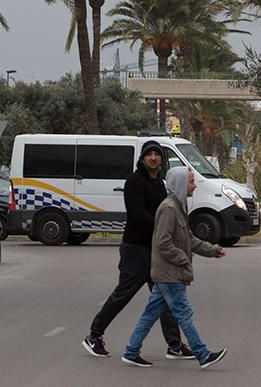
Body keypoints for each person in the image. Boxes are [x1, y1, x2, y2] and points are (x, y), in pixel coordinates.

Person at [83, 141, 193, 360]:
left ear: (162, 159)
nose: (153, 158)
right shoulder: (134, 182)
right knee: (123, 294)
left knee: (166, 297)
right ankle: (94, 335)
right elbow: (137, 214)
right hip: (136, 249)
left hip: (155, 250)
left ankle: (174, 345)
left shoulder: (161, 185)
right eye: (149, 154)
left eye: (157, 154)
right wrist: (164, 229)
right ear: (142, 158)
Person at [122, 167, 227, 369]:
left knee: (150, 314)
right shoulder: (169, 209)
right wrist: (182, 259)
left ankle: (131, 351)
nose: (194, 186)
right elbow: (162, 242)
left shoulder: (178, 207)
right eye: (190, 182)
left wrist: (213, 250)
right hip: (169, 273)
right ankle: (203, 354)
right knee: (184, 313)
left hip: (167, 273)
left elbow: (189, 239)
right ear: (179, 184)